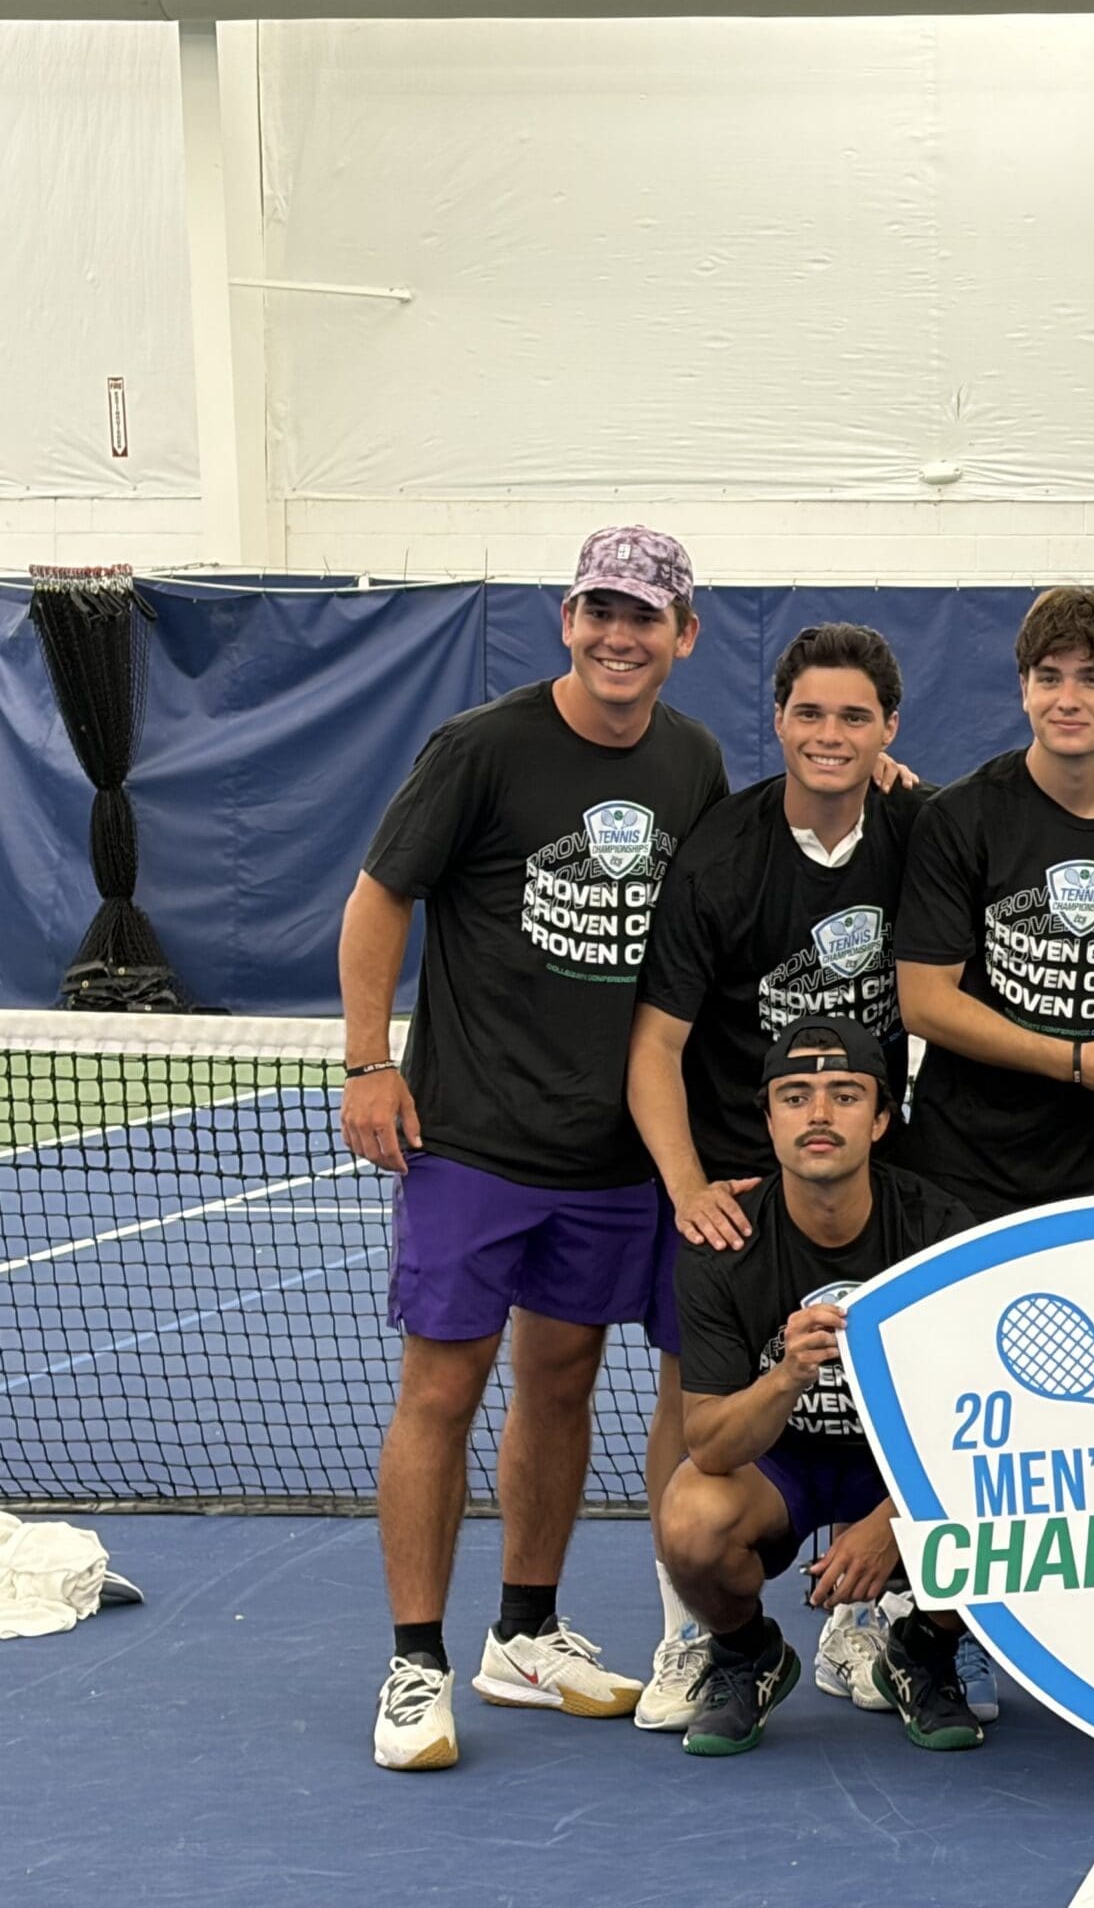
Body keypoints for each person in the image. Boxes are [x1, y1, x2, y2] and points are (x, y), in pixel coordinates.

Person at [342, 524, 729, 1773]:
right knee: (443, 1391)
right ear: (568, 620)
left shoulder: (693, 761)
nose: (620, 636)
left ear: (684, 635)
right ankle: (414, 1662)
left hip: (613, 1157)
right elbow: (379, 897)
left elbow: (728, 904)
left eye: (644, 616)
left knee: (563, 1381)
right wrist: (366, 1060)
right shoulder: (482, 749)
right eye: (598, 611)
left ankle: (526, 1633)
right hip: (473, 1141)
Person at [627, 621, 964, 1729]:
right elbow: (658, 1047)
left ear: (889, 731)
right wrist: (688, 1189)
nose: (830, 735)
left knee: (890, 1390)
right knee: (702, 1403)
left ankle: (866, 1614)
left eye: (854, 717)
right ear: (776, 722)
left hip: (875, 1160)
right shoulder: (721, 857)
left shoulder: (916, 824)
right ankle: (695, 1630)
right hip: (737, 1169)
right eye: (810, 714)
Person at [656, 1016, 984, 1756]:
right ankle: (748, 1655)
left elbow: (987, 1427)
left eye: (845, 1094)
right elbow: (706, 1443)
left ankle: (923, 1655)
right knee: (691, 1519)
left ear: (880, 1119)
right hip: (787, 1465)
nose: (821, 1114)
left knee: (1006, 1502)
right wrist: (787, 1376)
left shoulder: (940, 1232)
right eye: (797, 1096)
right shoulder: (722, 1244)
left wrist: (892, 1521)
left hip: (908, 1464)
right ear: (768, 1120)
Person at [895, 586, 1094, 1223]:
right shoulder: (960, 819)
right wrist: (1076, 1063)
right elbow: (924, 1002)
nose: (1067, 699)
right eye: (1048, 677)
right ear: (1024, 689)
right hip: (967, 1175)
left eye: (1092, 678)